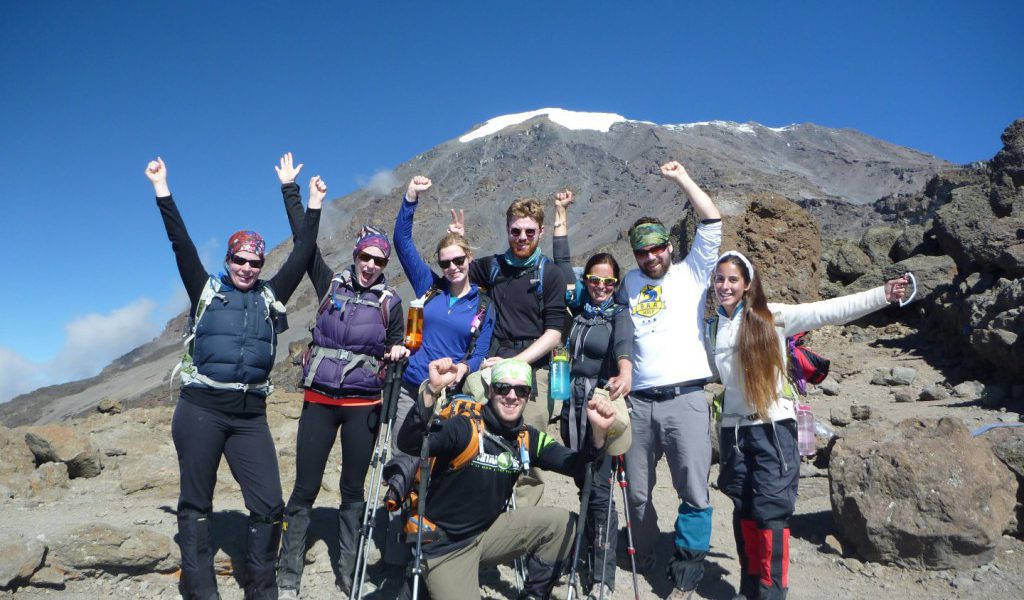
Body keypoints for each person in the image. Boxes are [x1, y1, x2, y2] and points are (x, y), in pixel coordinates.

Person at [146, 156, 323, 600]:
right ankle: (201, 592)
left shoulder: (271, 296)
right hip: (200, 409)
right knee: (195, 505)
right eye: (239, 260)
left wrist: (305, 198)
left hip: (249, 416)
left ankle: (261, 592)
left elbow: (303, 252)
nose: (247, 267)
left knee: (268, 507)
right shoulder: (206, 290)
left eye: (254, 262)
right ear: (227, 260)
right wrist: (162, 188)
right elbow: (180, 243)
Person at [710, 251, 908, 599]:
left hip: (772, 430)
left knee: (770, 513)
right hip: (734, 433)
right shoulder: (713, 325)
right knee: (743, 509)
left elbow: (828, 310)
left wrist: (883, 294)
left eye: (732, 279)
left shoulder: (772, 317)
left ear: (746, 284)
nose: (724, 286)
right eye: (719, 279)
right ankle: (749, 588)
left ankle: (771, 594)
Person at [273, 153, 408, 599]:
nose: (370, 264)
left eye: (377, 260)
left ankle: (348, 569)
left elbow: (397, 350)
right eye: (365, 257)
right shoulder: (330, 284)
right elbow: (303, 244)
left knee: (353, 490)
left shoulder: (391, 303)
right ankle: (288, 570)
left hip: (362, 408)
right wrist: (296, 194)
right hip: (319, 402)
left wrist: (395, 353)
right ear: (355, 256)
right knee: (305, 487)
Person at [396, 358, 617, 600]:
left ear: (528, 395)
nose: (511, 396)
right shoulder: (464, 427)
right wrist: (431, 391)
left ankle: (534, 595)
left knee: (561, 525)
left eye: (520, 390)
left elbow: (578, 466)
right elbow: (411, 442)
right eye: (503, 388)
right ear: (490, 391)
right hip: (445, 546)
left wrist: (598, 435)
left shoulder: (526, 438)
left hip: (487, 532)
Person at [621, 160, 722, 599]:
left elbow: (712, 220)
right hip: (639, 403)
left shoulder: (692, 273)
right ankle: (644, 552)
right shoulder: (626, 282)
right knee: (637, 493)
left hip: (686, 398)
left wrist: (682, 178)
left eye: (658, 248)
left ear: (668, 246)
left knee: (693, 488)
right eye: (643, 252)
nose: (652, 257)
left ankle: (686, 569)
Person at [550, 190, 633, 599]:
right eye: (594, 280)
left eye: (608, 281)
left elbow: (623, 348)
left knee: (601, 486)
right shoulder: (581, 308)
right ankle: (586, 560)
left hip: (600, 406)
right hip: (571, 407)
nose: (600, 286)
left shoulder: (619, 314)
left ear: (616, 285)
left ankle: (602, 576)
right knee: (585, 482)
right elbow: (563, 263)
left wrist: (625, 371)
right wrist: (561, 214)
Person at [462, 196, 569, 509]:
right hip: (493, 365)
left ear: (540, 231)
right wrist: (459, 239)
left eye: (529, 232)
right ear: (507, 230)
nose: (522, 238)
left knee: (528, 453)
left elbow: (553, 334)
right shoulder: (491, 267)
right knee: (482, 449)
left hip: (533, 371)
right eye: (516, 231)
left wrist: (513, 364)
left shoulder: (550, 275)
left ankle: (524, 531)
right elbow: (455, 277)